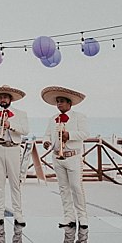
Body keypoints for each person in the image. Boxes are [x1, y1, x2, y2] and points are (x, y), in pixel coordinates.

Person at [41, 85, 89, 230]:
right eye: (58, 101)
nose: (59, 104)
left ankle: (82, 216)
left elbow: (85, 133)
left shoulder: (79, 117)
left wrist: (70, 135)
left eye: (62, 101)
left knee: (76, 187)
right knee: (63, 188)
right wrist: (46, 141)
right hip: (57, 157)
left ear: (69, 103)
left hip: (73, 156)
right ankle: (69, 216)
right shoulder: (52, 119)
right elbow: (47, 134)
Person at [0, 84, 29, 226]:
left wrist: (11, 125)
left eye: (5, 97)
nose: (3, 99)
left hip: (13, 148)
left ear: (10, 99)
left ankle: (18, 214)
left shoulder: (21, 114)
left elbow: (26, 130)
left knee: (15, 183)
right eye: (0, 97)